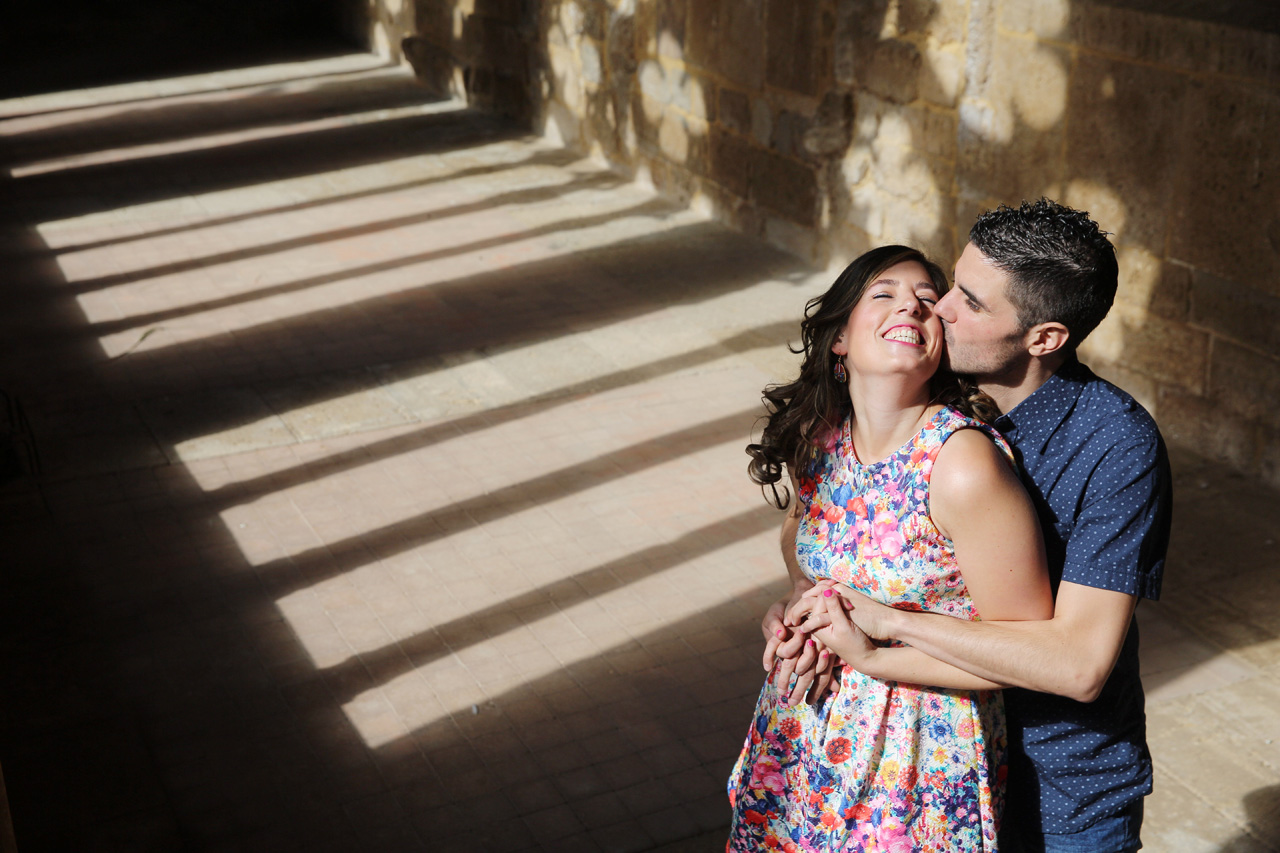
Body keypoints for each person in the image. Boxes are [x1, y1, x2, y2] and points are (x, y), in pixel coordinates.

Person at [800, 200, 1173, 853]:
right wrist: (811, 611)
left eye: (970, 302)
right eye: (952, 284)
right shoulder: (924, 388)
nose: (936, 307)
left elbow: (1080, 663)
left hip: (1059, 788)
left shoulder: (1117, 445)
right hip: (925, 766)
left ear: (1045, 338)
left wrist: (891, 625)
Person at [726, 245, 1054, 851]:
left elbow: (1027, 648)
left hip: (915, 763)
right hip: (800, 742)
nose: (911, 303)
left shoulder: (961, 465)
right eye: (884, 293)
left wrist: (873, 652)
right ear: (839, 340)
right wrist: (800, 607)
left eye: (929, 301)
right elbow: (803, 542)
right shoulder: (820, 440)